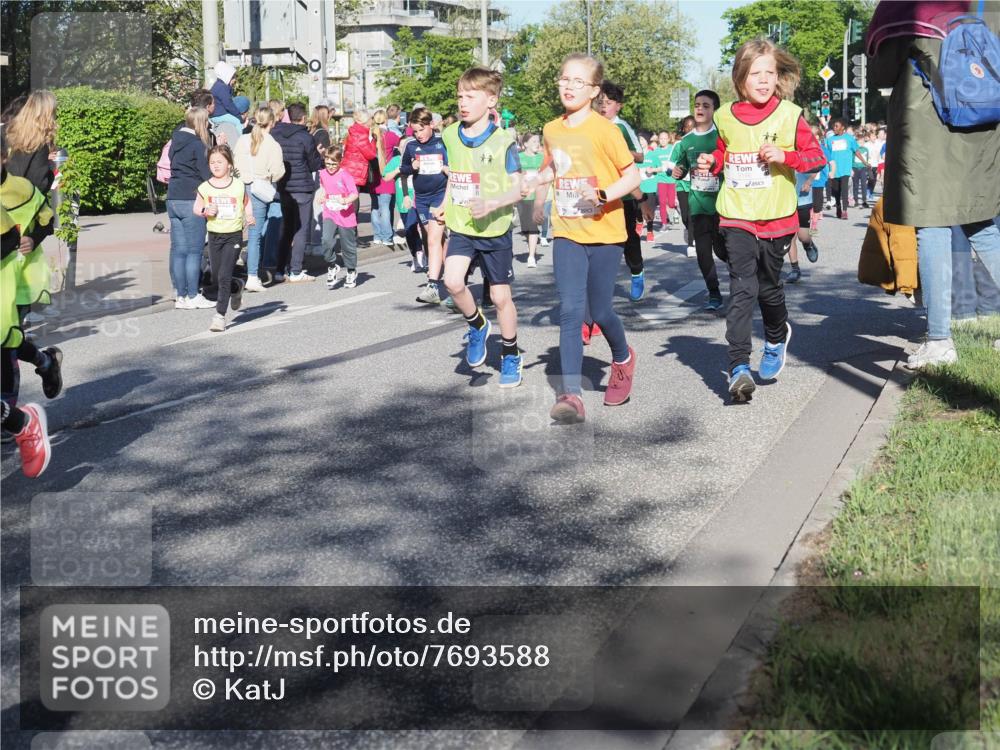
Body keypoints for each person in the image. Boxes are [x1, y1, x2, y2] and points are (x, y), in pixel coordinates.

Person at [868, 0, 1000, 367]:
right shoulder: (979, 5)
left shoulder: (903, 7)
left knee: (932, 226)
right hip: (982, 124)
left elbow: (881, 72)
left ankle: (940, 341)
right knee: (982, 225)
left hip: (927, 127)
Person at [698, 37, 825, 402]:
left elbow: (815, 158)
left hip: (776, 218)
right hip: (736, 214)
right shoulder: (723, 117)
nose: (764, 80)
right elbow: (722, 153)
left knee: (769, 289)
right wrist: (712, 163)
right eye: (756, 73)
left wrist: (785, 155)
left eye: (770, 73)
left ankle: (775, 336)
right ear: (740, 77)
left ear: (778, 76)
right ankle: (738, 366)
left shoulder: (790, 114)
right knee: (742, 289)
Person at [527, 52, 641, 423]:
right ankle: (571, 394)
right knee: (572, 312)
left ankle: (622, 358)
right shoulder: (551, 129)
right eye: (564, 79)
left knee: (602, 311)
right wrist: (531, 188)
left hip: (606, 233)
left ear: (594, 91)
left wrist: (604, 195)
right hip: (568, 232)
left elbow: (632, 178)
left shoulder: (607, 131)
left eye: (579, 82)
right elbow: (551, 171)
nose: (569, 86)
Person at [438, 67, 525, 387]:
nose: (462, 102)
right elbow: (457, 175)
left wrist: (491, 204)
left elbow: (519, 189)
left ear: (491, 100)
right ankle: (476, 325)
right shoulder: (449, 135)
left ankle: (511, 354)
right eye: (460, 95)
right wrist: (443, 204)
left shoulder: (504, 142)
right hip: (462, 226)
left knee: (501, 297)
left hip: (494, 229)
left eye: (470, 96)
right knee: (453, 282)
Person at [1, 207, 52, 477]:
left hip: (13, 286)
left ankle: (16, 420)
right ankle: (16, 419)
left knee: (9, 347)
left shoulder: (22, 186)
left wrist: (34, 237)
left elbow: (44, 220)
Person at [672, 89, 728, 310]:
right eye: (697, 105)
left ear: (714, 110)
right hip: (698, 205)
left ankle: (744, 280)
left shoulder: (722, 137)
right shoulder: (686, 141)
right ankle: (714, 292)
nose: (700, 109)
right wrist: (677, 170)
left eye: (706, 105)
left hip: (723, 205)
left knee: (723, 251)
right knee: (703, 252)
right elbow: (680, 166)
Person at [192, 144, 254, 332]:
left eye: (220, 161)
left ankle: (219, 316)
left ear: (229, 164)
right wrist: (205, 211)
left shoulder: (238, 185)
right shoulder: (205, 187)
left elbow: (247, 202)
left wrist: (249, 216)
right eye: (212, 162)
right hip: (214, 234)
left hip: (233, 235)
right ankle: (237, 286)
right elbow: (196, 208)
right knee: (217, 277)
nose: (216, 165)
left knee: (225, 274)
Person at [598, 81, 646, 301]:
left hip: (624, 193)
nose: (603, 106)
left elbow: (640, 155)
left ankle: (637, 272)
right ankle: (601, 285)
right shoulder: (593, 125)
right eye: (600, 102)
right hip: (598, 193)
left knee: (627, 238)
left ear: (618, 106)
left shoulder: (622, 127)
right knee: (601, 242)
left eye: (608, 102)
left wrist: (620, 151)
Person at [167, 107, 216, 309]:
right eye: (206, 122)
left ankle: (181, 296)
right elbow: (206, 175)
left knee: (179, 250)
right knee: (194, 250)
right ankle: (193, 295)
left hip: (173, 197)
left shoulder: (175, 142)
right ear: (200, 123)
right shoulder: (197, 144)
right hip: (191, 198)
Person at [399, 107, 449, 305]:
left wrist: (447, 169)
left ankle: (433, 285)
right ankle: (454, 271)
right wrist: (412, 167)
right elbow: (402, 170)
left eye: (421, 130)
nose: (418, 135)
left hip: (440, 196)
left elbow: (454, 165)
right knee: (434, 239)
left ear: (431, 125)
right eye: (415, 131)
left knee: (433, 240)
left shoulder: (443, 143)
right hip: (421, 198)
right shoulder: (411, 146)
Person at [234, 105, 285, 292]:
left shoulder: (242, 139)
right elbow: (277, 172)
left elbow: (234, 163)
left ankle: (230, 269)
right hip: (258, 189)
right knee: (255, 235)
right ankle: (253, 276)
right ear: (272, 122)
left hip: (239, 187)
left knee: (236, 230)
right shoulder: (272, 144)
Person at [272, 103, 324, 283]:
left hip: (284, 186)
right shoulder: (305, 137)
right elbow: (314, 164)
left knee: (286, 228)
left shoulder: (275, 133)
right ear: (303, 118)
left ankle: (280, 269)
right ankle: (296, 270)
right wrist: (319, 155)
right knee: (301, 229)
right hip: (302, 187)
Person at [315, 146, 360, 289]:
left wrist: (346, 201)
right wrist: (321, 196)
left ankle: (351, 271)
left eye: (334, 164)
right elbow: (322, 188)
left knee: (348, 246)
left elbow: (354, 193)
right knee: (326, 241)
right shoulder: (322, 173)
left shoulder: (345, 175)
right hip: (330, 212)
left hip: (346, 215)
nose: (331, 167)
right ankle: (332, 265)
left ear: (340, 161)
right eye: (328, 163)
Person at [826, 118, 869, 219]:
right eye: (834, 126)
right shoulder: (830, 140)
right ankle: (838, 206)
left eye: (836, 126)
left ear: (843, 128)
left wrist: (864, 162)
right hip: (834, 170)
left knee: (844, 189)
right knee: (836, 191)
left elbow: (857, 151)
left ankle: (844, 210)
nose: (834, 128)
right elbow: (827, 154)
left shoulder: (849, 138)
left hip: (845, 169)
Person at [371, 109, 400, 247]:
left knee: (375, 207)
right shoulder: (390, 135)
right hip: (386, 175)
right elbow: (401, 143)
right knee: (385, 207)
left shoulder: (370, 135)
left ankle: (377, 235)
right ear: (386, 120)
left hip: (373, 177)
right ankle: (387, 236)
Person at [787, 168, 821, 283]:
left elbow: (818, 167)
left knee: (803, 237)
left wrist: (809, 181)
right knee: (790, 236)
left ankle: (809, 244)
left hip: (803, 199)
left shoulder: (803, 152)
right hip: (785, 203)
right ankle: (795, 269)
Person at [517, 132, 544, 267]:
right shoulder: (519, 157)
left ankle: (531, 256)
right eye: (533, 141)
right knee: (526, 227)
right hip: (523, 196)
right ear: (525, 144)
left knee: (533, 226)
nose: (537, 144)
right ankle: (531, 246)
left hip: (537, 197)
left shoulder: (542, 158)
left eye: (538, 141)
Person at [672, 115, 697, 256]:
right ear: (683, 128)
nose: (690, 129)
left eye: (692, 127)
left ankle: (691, 244)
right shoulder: (678, 145)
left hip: (696, 184)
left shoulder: (700, 143)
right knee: (685, 217)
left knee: (692, 214)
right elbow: (669, 165)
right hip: (681, 184)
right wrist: (673, 172)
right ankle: (690, 231)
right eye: (687, 127)